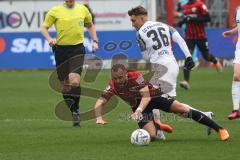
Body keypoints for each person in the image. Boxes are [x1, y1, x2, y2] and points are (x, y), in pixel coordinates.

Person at [127, 6, 213, 135]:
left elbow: (145, 57)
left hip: (161, 67)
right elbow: (179, 39)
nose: (133, 24)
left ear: (143, 18)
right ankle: (159, 131)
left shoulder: (139, 34)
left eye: (134, 21)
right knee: (158, 99)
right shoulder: (165, 25)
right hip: (171, 64)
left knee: (166, 103)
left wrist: (152, 53)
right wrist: (188, 57)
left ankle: (204, 116)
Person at [94, 64, 229, 141]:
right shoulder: (112, 85)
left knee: (183, 110)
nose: (117, 80)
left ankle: (220, 129)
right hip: (138, 107)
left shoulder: (136, 76)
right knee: (151, 136)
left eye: (120, 77)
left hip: (154, 97)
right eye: (115, 78)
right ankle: (157, 126)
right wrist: (99, 117)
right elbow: (100, 102)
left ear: (125, 74)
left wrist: (139, 111)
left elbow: (146, 96)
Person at [41, 0, 98, 127]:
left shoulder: (83, 9)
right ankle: (73, 111)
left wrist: (95, 41)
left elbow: (89, 25)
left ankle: (76, 109)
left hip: (77, 49)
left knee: (75, 82)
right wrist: (49, 39)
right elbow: (44, 28)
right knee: (65, 86)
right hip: (60, 50)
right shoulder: (55, 10)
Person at [177, 0, 222, 90]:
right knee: (188, 56)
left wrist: (193, 19)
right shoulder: (184, 7)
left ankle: (215, 61)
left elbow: (208, 18)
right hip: (189, 37)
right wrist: (181, 22)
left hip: (200, 36)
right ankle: (186, 81)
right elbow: (186, 19)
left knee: (206, 56)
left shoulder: (200, 5)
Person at [222, 6, 240, 120]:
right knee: (236, 76)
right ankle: (236, 110)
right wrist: (231, 32)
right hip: (239, 48)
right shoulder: (238, 9)